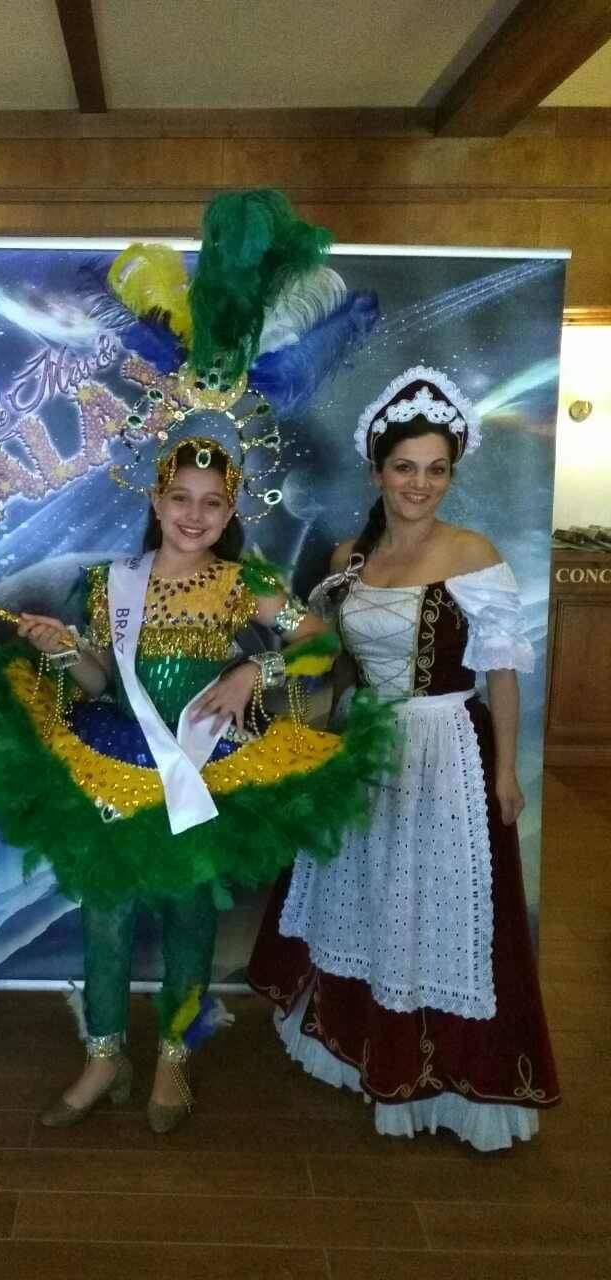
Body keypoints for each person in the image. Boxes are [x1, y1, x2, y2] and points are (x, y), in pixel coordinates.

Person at [0, 432, 393, 1132]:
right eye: (180, 499)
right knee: (104, 911)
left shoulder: (246, 583)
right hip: (116, 762)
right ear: (156, 503)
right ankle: (104, 1056)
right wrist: (65, 649)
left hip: (204, 765)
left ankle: (174, 1053)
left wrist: (255, 670)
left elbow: (321, 644)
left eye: (212, 503)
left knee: (191, 911)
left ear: (229, 515)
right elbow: (100, 683)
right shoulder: (110, 582)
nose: (194, 515)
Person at [247, 366, 560, 1150]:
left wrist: (506, 773)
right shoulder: (349, 555)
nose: (420, 484)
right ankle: (363, 1047)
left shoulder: (471, 552)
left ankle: (443, 1075)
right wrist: (297, 719)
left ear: (451, 475)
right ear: (378, 471)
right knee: (371, 894)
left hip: (446, 751)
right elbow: (331, 661)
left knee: (434, 905)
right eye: (405, 467)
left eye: (436, 469)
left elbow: (501, 670)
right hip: (367, 746)